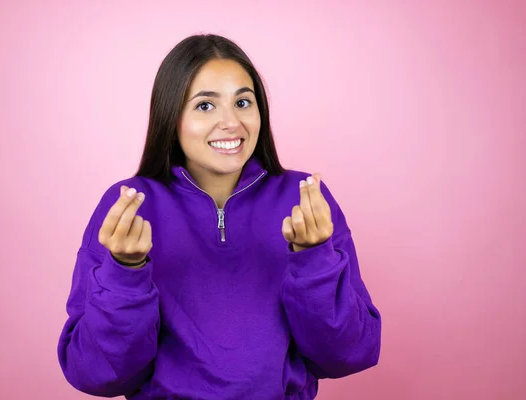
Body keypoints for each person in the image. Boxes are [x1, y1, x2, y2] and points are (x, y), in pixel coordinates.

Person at [57, 33, 382, 400]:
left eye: (243, 102)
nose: (232, 123)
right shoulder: (128, 208)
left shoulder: (304, 201)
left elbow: (349, 354)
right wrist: (125, 270)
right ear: (171, 115)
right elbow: (96, 374)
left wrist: (314, 260)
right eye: (205, 106)